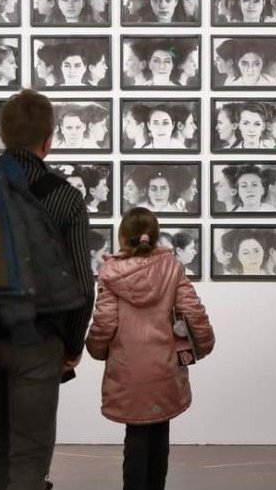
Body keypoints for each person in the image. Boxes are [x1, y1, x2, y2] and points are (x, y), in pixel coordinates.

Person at [0, 89, 95, 490]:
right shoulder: (65, 199)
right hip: (37, 342)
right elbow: (83, 288)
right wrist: (71, 345)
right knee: (29, 463)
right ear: (48, 139)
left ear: (1, 133)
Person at [86, 208, 215, 490]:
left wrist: (96, 349)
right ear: (155, 237)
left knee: (135, 435)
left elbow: (105, 322)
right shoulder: (171, 266)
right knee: (160, 431)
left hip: (128, 367)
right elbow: (192, 311)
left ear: (123, 237)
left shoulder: (111, 273)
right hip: (165, 365)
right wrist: (204, 345)